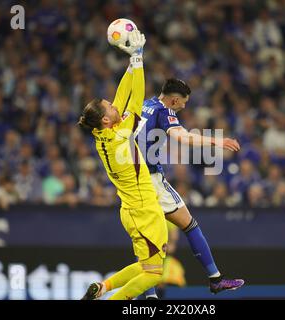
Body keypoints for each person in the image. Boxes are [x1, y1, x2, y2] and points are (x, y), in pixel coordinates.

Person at [79, 30, 168, 300]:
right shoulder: (120, 135)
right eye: (109, 108)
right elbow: (136, 99)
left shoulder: (101, 132)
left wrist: (132, 63)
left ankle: (103, 289)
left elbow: (121, 98)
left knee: (146, 266)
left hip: (130, 210)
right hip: (144, 209)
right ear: (106, 120)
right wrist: (139, 62)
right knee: (154, 273)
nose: (115, 106)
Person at [136, 78, 245, 299]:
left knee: (146, 238)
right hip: (151, 179)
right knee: (190, 225)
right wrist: (217, 141)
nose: (183, 106)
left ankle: (149, 295)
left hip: (131, 180)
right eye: (183, 102)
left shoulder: (143, 104)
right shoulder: (165, 111)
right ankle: (215, 279)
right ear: (174, 99)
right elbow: (183, 137)